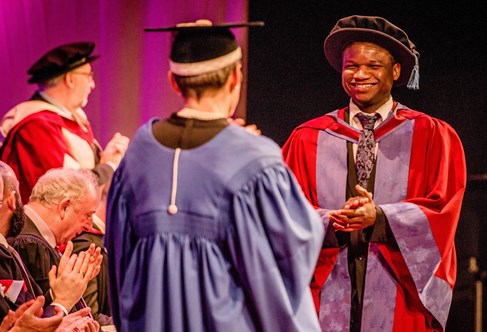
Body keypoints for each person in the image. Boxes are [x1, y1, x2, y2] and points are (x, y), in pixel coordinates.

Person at [105, 19, 323, 331]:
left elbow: (119, 259)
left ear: (173, 81)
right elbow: (288, 257)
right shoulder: (255, 158)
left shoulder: (139, 151)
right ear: (236, 77)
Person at [282, 15, 466, 332]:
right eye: (351, 66)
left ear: (395, 71)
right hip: (324, 294)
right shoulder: (307, 136)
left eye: (373, 66)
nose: (360, 74)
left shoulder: (433, 134)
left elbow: (442, 209)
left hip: (399, 296)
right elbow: (281, 211)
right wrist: (331, 220)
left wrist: (379, 218)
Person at [0, 41, 130, 219]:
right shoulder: (36, 126)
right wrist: (108, 166)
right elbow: (62, 190)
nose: (92, 84)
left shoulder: (72, 119)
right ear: (70, 79)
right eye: (89, 76)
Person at [0, 162, 100, 331]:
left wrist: (65, 292)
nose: (90, 226)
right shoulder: (29, 243)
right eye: (87, 215)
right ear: (65, 207)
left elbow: (32, 311)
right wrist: (62, 301)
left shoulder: (29, 242)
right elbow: (25, 321)